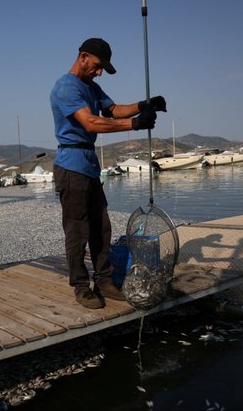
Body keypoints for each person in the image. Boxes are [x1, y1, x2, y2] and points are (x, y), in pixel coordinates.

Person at [50, 38, 166, 309]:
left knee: (101, 227)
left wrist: (143, 104)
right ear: (83, 57)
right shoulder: (65, 87)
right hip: (71, 165)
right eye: (97, 66)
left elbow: (113, 110)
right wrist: (134, 125)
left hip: (89, 164)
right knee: (77, 230)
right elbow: (90, 121)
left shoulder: (92, 86)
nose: (99, 72)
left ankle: (103, 280)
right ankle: (80, 286)